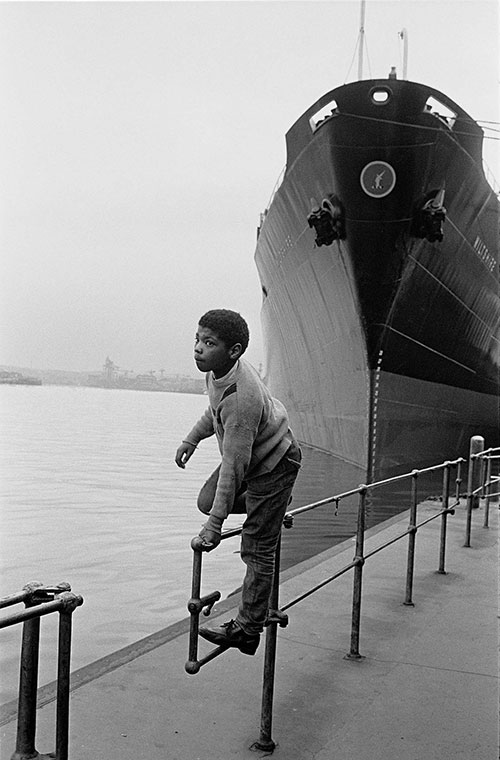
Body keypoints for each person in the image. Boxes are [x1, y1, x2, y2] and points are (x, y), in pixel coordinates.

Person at [175, 309, 301, 655]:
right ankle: (274, 507)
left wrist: (214, 527)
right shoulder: (218, 374)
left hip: (274, 464)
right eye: (198, 340)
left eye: (209, 343)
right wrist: (192, 439)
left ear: (235, 350)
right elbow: (213, 411)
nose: (198, 349)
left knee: (257, 546)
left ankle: (247, 629)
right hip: (253, 461)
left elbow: (234, 465)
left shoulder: (242, 398)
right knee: (206, 500)